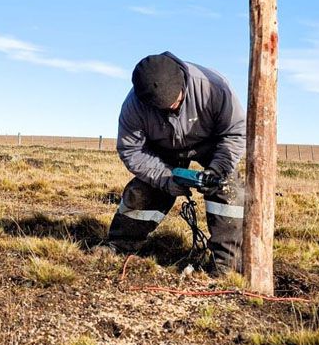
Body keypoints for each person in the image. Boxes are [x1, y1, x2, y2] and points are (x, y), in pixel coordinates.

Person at [105, 52, 246, 274]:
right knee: (143, 190)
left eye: (176, 101)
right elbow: (131, 149)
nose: (171, 108)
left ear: (183, 81)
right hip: (162, 147)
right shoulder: (134, 105)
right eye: (162, 107)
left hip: (211, 143)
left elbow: (235, 133)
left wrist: (217, 169)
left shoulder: (215, 87)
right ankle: (120, 246)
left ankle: (226, 265)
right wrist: (166, 179)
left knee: (228, 189)